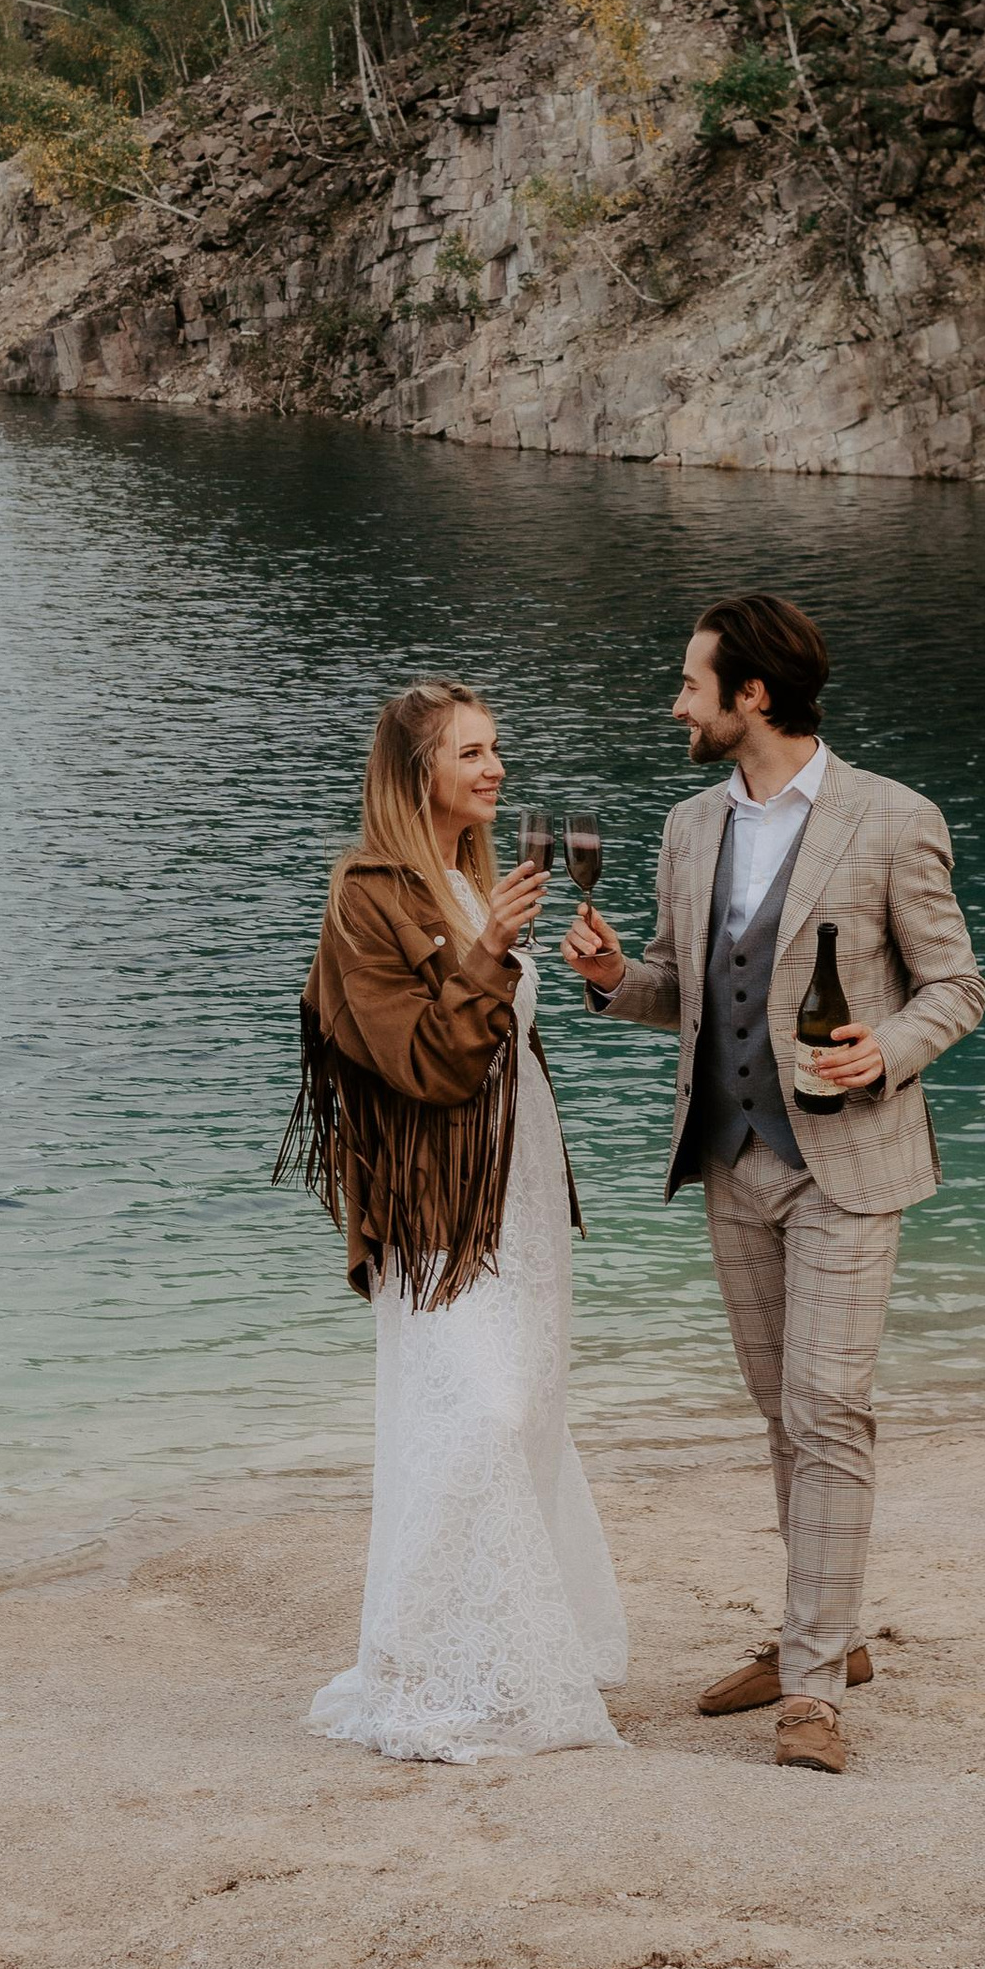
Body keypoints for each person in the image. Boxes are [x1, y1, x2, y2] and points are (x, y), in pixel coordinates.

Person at [562, 593, 982, 1775]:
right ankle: (825, 1634)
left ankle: (811, 1691)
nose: (675, 705)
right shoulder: (689, 826)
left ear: (751, 695)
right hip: (731, 1161)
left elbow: (955, 987)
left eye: (690, 684)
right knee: (780, 1412)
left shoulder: (892, 819)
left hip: (849, 1165)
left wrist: (883, 1050)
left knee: (826, 1409)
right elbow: (682, 992)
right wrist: (613, 978)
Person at [280, 679, 628, 1761]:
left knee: (525, 1411)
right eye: (471, 752)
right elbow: (426, 1065)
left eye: (496, 748)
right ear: (414, 771)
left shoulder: (479, 883)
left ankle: (504, 1658)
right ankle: (423, 1671)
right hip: (437, 1200)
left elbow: (505, 1047)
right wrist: (489, 955)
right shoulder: (366, 898)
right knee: (476, 1415)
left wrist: (584, 969)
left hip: (519, 1189)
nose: (496, 769)